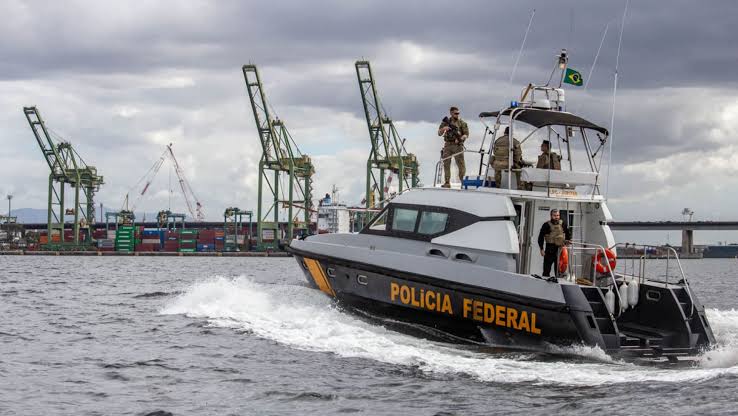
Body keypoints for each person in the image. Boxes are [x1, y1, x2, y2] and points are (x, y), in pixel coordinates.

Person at [437, 106, 469, 188]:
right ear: (451, 113)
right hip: (448, 145)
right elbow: (439, 133)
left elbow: (466, 134)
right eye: (455, 113)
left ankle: (463, 182)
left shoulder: (462, 123)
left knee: (461, 165)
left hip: (457, 145)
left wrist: (461, 138)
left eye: (458, 113)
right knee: (446, 163)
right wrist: (444, 128)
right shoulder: (445, 122)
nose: (457, 115)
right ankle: (447, 182)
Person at [537, 209, 571, 278]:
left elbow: (567, 233)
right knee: (546, 270)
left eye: (558, 215)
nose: (556, 217)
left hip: (560, 250)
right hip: (549, 250)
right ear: (551, 216)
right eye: (554, 215)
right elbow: (540, 237)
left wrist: (568, 241)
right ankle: (545, 284)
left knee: (559, 270)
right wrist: (541, 249)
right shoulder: (546, 225)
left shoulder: (563, 224)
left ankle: (559, 282)